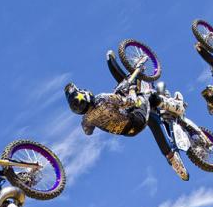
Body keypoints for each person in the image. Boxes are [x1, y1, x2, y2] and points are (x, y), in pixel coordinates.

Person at [65, 51, 188, 180]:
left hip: (128, 132)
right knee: (148, 96)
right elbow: (129, 101)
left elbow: (88, 132)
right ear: (86, 95)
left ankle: (171, 158)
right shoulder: (102, 98)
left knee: (152, 120)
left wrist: (102, 117)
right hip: (135, 119)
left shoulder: (85, 120)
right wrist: (131, 90)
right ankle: (177, 106)